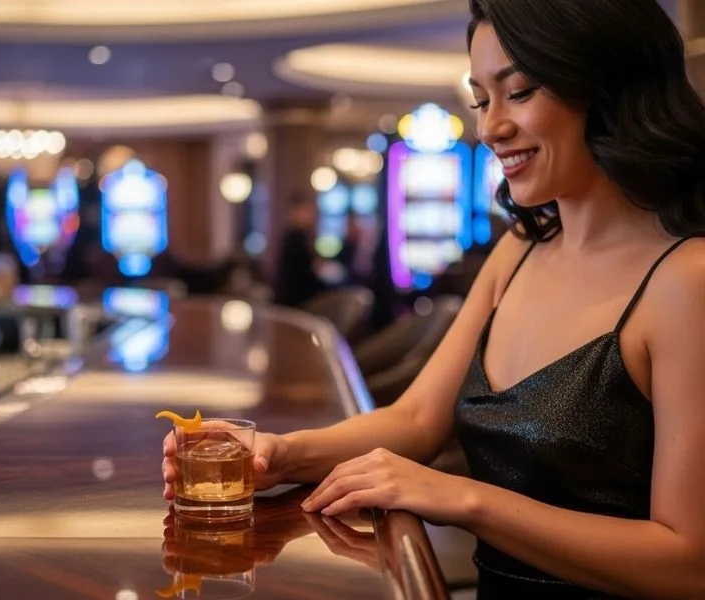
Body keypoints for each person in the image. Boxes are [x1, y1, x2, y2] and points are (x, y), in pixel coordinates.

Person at [163, 0, 705, 597]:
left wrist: (464, 499)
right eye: (481, 100)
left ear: (610, 84)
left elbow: (688, 563)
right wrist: (279, 455)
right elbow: (417, 420)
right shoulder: (520, 249)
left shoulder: (688, 279)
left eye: (519, 92)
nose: (490, 128)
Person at [272, 192, 325, 307]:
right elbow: (300, 276)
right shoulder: (294, 238)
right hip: (295, 302)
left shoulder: (298, 236)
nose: (310, 215)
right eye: (306, 211)